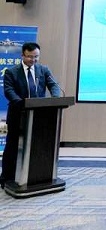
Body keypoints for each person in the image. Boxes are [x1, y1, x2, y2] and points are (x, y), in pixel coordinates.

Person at [1, 42, 61, 188]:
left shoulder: (43, 70)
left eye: (36, 57)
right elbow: (9, 91)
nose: (33, 60)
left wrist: (55, 98)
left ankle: (38, 175)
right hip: (18, 115)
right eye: (29, 57)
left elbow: (53, 85)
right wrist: (22, 104)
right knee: (12, 147)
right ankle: (6, 177)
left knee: (38, 146)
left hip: (39, 116)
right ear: (22, 55)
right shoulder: (11, 72)